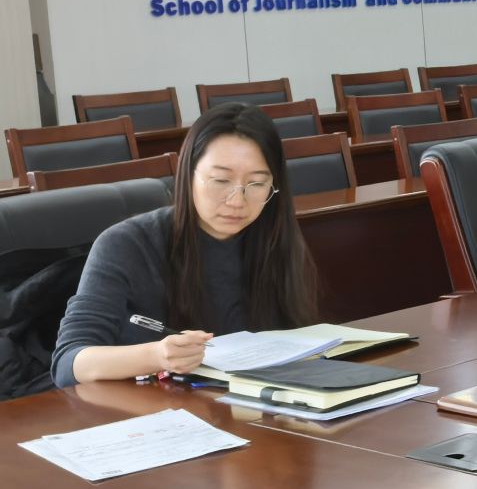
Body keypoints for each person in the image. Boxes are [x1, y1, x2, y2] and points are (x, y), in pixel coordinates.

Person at [53, 104, 318, 385]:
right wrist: (157, 355)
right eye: (220, 180)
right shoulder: (126, 245)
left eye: (256, 184)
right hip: (148, 405)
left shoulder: (275, 240)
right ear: (188, 174)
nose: (237, 200)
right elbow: (68, 364)